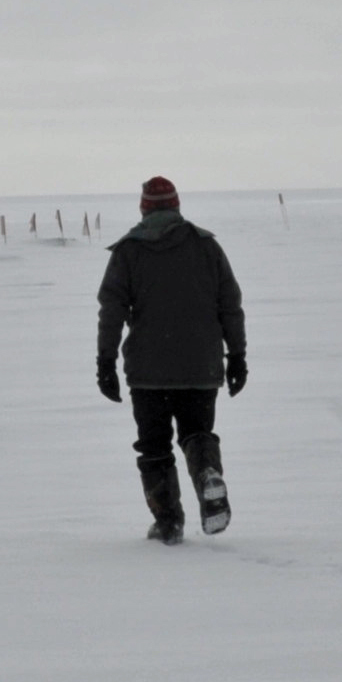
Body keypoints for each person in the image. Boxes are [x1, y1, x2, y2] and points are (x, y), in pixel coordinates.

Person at [97, 176, 247, 542]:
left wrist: (105, 361)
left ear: (144, 208)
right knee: (197, 433)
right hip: (201, 367)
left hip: (148, 372)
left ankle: (168, 522)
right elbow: (230, 306)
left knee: (154, 446)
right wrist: (237, 355)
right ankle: (208, 471)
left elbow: (112, 310)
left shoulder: (129, 251)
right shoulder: (206, 246)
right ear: (177, 206)